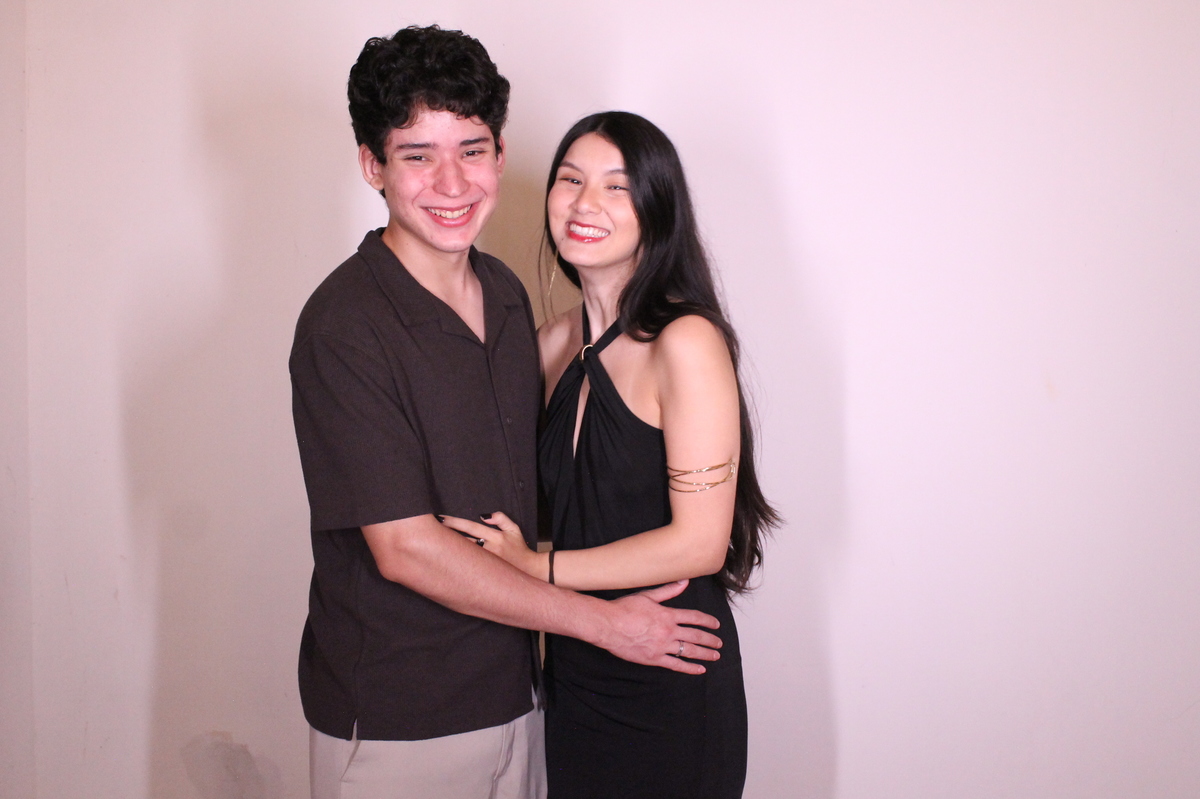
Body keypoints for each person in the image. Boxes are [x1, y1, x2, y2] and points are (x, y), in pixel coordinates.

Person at [289, 31, 724, 799]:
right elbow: (408, 550)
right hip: (401, 715)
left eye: (472, 150)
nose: (452, 181)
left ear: (500, 154)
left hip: (526, 698)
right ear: (372, 166)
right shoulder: (345, 324)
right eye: (418, 155)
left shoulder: (508, 297)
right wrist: (602, 622)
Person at [443, 111, 778, 798]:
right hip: (574, 666)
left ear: (657, 211)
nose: (585, 203)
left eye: (616, 187)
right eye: (570, 180)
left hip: (672, 665)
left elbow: (700, 542)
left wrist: (536, 568)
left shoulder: (684, 341)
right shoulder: (550, 344)